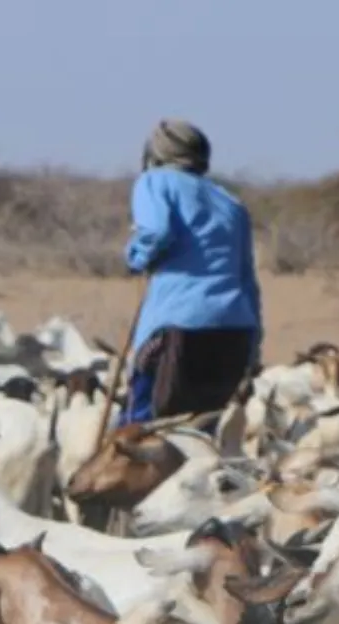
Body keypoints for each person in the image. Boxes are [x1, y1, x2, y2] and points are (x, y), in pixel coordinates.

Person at [120, 119, 260, 428]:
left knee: (139, 429)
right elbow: (248, 278)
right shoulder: (231, 203)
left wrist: (135, 257)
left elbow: (155, 232)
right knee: (204, 431)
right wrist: (254, 347)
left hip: (178, 324)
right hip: (235, 329)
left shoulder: (155, 181)